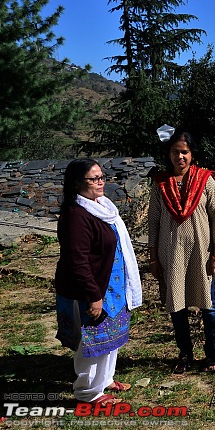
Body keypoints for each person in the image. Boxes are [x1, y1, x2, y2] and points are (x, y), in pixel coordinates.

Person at [55, 158, 142, 406]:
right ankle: (88, 392)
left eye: (101, 177)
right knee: (92, 341)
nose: (100, 182)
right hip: (91, 289)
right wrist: (93, 295)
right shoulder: (77, 216)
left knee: (110, 338)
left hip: (112, 287)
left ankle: (104, 380)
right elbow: (78, 260)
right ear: (77, 184)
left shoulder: (102, 207)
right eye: (93, 179)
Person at [148, 130, 215, 374]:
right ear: (168, 153)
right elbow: (153, 221)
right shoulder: (160, 183)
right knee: (177, 305)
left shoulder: (206, 180)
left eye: (184, 152)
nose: (180, 156)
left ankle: (212, 355)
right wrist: (153, 257)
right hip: (171, 255)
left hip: (201, 255)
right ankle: (185, 353)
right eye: (175, 152)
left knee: (209, 306)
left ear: (192, 155)